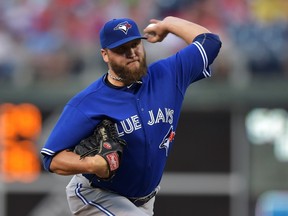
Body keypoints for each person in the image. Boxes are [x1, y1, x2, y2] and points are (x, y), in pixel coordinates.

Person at [41, 16, 222, 216]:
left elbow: (209, 42)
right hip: (97, 195)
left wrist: (168, 24)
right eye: (121, 49)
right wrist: (92, 164)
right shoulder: (88, 102)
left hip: (145, 200)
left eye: (135, 44)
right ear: (105, 55)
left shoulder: (167, 76)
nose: (132, 53)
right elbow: (51, 158)